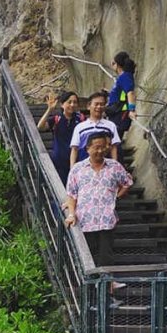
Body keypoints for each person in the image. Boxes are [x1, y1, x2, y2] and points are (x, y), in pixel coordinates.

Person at [65, 130, 133, 306]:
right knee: (88, 259)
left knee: (106, 259)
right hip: (84, 222)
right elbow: (71, 194)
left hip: (106, 221)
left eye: (103, 147)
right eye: (96, 147)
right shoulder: (78, 169)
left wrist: (116, 197)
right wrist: (71, 214)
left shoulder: (114, 167)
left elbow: (127, 183)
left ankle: (106, 297)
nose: (100, 151)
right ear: (87, 148)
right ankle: (90, 298)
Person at [37, 91, 85, 184]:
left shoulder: (81, 118)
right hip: (59, 159)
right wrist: (49, 110)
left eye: (75, 102)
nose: (72, 104)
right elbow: (40, 127)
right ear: (62, 104)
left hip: (77, 158)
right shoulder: (57, 119)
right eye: (69, 102)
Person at [69, 91, 121, 169]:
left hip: (105, 167)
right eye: (96, 104)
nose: (99, 107)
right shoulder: (80, 127)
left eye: (102, 104)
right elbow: (74, 149)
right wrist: (72, 168)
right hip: (85, 168)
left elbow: (114, 147)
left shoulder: (110, 126)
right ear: (89, 106)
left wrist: (115, 166)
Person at [107, 51, 137, 141]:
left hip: (120, 113)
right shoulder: (122, 77)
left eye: (113, 63)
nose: (112, 65)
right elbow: (122, 94)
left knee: (114, 139)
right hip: (116, 111)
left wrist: (132, 110)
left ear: (118, 64)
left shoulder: (125, 77)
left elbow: (130, 93)